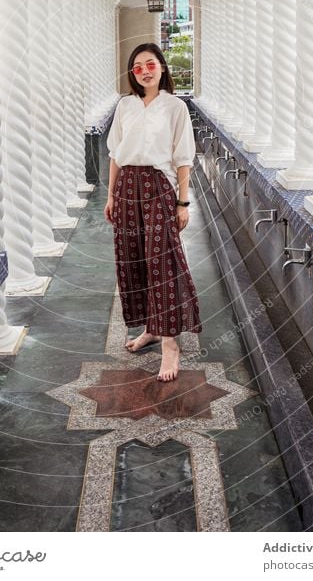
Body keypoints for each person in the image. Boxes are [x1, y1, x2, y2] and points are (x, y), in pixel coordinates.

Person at [104, 43, 202, 382]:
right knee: (134, 260)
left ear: (161, 67)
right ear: (133, 74)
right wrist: (111, 195)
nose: (144, 70)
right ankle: (150, 329)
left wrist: (182, 202)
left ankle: (170, 344)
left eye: (150, 64)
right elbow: (115, 154)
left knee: (162, 263)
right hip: (127, 187)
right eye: (137, 67)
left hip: (159, 187)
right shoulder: (125, 106)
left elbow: (183, 157)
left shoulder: (175, 107)